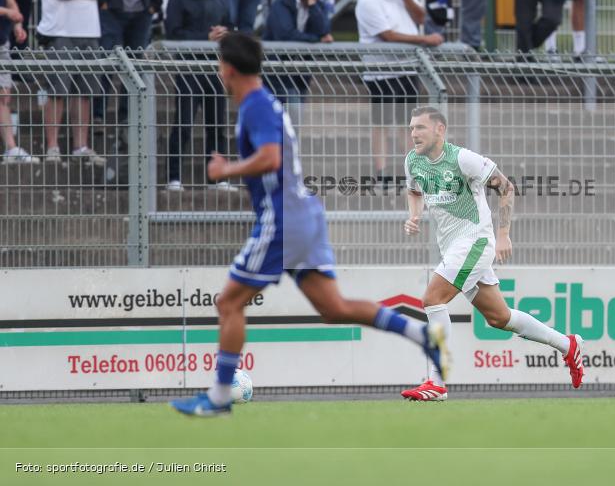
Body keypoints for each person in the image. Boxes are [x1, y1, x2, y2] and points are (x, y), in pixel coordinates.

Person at [170, 33, 449, 416]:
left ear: (228, 69)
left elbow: (270, 158)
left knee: (229, 302)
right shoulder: (264, 102)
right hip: (302, 215)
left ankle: (219, 396)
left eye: (220, 64)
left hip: (283, 219)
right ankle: (422, 334)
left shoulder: (254, 106)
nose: (219, 71)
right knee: (333, 308)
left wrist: (225, 170)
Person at [400, 106, 585, 401]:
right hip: (454, 247)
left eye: (420, 128)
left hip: (475, 242)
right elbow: (414, 191)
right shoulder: (413, 161)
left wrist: (502, 235)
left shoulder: (463, 158)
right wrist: (415, 215)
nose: (413, 134)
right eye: (411, 128)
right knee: (500, 318)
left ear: (439, 130)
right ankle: (567, 344)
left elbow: (506, 187)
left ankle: (437, 381)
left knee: (432, 299)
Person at [355, 0, 442, 182]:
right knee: (381, 122)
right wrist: (425, 41)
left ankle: (411, 172)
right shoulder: (368, 0)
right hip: (381, 70)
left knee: (409, 123)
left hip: (407, 67)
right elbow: (388, 35)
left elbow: (421, 16)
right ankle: (382, 172)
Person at [37, 0, 108, 165]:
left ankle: (81, 146)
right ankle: (53, 147)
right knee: (57, 90)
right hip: (60, 32)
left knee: (84, 92)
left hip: (89, 31)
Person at [164, 0, 232, 192]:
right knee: (182, 124)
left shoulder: (220, 0)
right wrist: (205, 37)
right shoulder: (178, 0)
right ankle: (174, 178)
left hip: (214, 70)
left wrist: (225, 36)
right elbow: (173, 33)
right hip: (188, 69)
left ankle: (218, 178)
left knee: (217, 125)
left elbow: (231, 26)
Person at [263, 0, 332, 133]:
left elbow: (324, 29)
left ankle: (289, 155)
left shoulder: (317, 4)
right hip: (277, 72)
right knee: (290, 117)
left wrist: (313, 4)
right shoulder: (281, 3)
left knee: (295, 121)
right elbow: (285, 35)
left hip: (301, 74)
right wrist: (316, 40)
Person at [0, 0, 33, 162]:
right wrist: (7, 12)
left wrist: (18, 26)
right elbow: (9, 10)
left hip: (2, 42)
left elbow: (14, 6)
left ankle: (11, 148)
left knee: (4, 94)